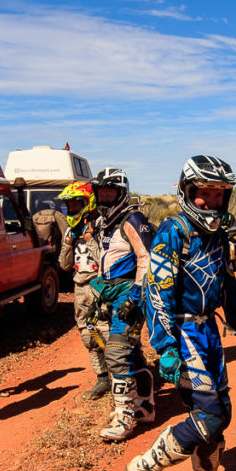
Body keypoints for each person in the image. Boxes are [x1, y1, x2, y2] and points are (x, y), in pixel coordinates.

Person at [127, 155, 236, 471]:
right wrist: (166, 345)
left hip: (209, 333)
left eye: (219, 196)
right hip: (182, 332)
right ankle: (144, 469)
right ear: (187, 191)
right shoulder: (174, 231)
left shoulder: (217, 235)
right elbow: (157, 291)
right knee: (209, 414)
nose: (212, 202)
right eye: (205, 194)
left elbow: (228, 285)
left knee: (222, 412)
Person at [90, 167, 156, 441]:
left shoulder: (132, 218)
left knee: (116, 353)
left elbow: (147, 258)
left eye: (110, 192)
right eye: (101, 192)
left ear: (122, 192)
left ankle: (123, 417)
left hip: (130, 293)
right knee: (133, 352)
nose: (105, 197)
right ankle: (145, 407)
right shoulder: (106, 221)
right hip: (115, 293)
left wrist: (134, 296)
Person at [56, 182, 111, 400]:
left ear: (88, 202)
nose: (72, 208)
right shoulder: (71, 230)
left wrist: (90, 241)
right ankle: (102, 377)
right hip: (79, 287)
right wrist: (69, 244)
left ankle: (124, 375)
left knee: (107, 331)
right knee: (88, 334)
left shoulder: (102, 225)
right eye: (69, 204)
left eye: (76, 203)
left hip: (99, 286)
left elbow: (107, 262)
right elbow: (63, 265)